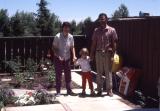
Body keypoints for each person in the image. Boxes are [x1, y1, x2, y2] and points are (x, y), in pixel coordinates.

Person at [90, 13, 118, 97]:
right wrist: (91, 54)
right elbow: (94, 43)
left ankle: (109, 90)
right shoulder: (96, 30)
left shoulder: (112, 30)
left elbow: (114, 43)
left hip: (108, 53)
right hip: (98, 53)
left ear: (106, 19)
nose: (101, 20)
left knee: (108, 72)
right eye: (100, 19)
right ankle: (99, 90)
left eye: (103, 19)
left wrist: (113, 54)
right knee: (99, 72)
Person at [52, 22, 77, 96]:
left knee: (68, 75)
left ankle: (69, 91)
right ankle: (58, 91)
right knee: (58, 75)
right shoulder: (57, 36)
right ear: (62, 28)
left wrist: (74, 56)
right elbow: (53, 47)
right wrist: (58, 55)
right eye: (65, 27)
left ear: (69, 28)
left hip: (67, 58)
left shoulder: (71, 37)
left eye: (68, 27)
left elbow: (72, 47)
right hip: (58, 59)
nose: (66, 29)